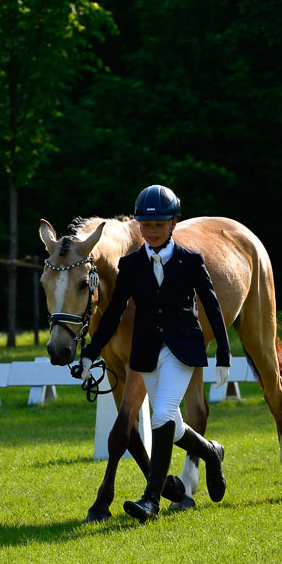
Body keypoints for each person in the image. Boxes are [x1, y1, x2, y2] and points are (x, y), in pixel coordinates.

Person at [78, 185, 231, 523]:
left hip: (182, 349)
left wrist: (223, 352)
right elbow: (115, 311)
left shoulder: (190, 260)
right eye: (146, 225)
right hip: (146, 351)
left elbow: (212, 305)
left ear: (174, 223)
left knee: (162, 413)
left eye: (159, 224)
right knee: (173, 424)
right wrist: (90, 351)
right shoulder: (130, 265)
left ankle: (152, 499)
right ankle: (211, 452)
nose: (151, 231)